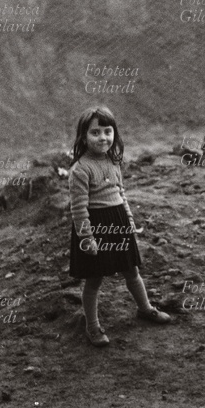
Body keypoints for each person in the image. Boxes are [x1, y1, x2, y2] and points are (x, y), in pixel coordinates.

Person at [68, 106, 170, 346]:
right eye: (95, 133)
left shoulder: (114, 162)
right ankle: (92, 327)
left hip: (119, 224)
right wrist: (86, 238)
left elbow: (121, 194)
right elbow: (79, 209)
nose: (103, 137)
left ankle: (145, 308)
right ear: (84, 137)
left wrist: (130, 221)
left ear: (114, 133)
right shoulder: (80, 170)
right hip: (95, 227)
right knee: (94, 280)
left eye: (107, 131)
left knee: (132, 270)